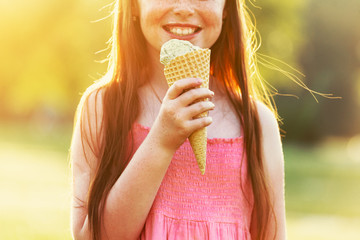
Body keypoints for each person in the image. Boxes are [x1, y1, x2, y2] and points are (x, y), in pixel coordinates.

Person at [70, 0, 286, 239]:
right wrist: (161, 141)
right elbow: (91, 236)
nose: (184, 7)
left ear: (226, 8)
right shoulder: (103, 107)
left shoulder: (258, 123)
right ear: (133, 6)